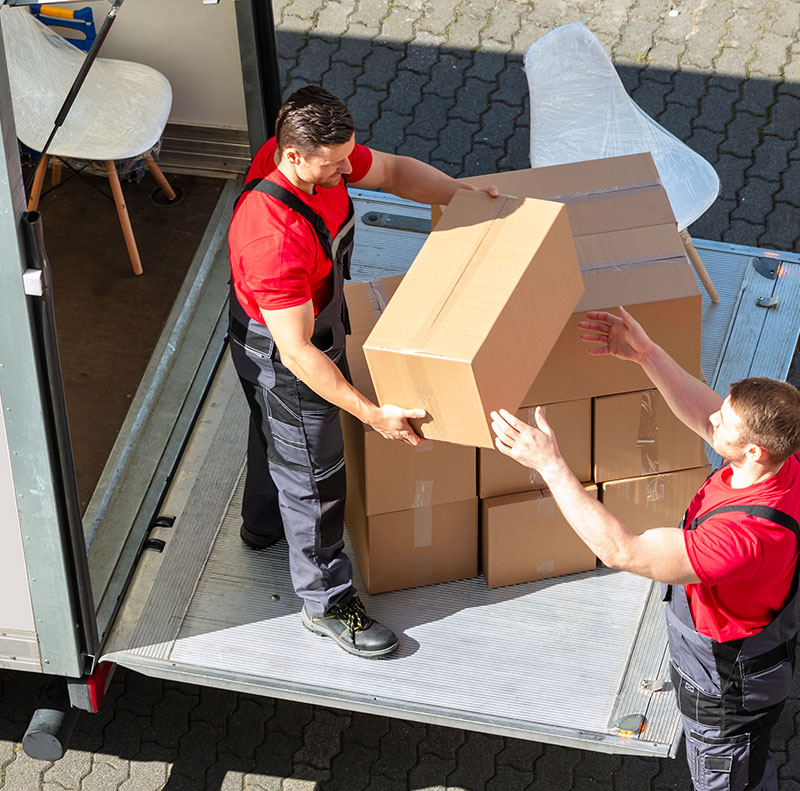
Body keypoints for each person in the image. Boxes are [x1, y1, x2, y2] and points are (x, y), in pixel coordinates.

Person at [228, 85, 497, 659]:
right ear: (292, 155)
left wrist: (466, 197)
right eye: (335, 164)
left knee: (273, 435)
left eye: (349, 156)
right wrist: (372, 415)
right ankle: (327, 603)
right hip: (287, 351)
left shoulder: (312, 154)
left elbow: (394, 172)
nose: (348, 170)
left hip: (291, 324)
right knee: (315, 476)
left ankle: (262, 525)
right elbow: (297, 352)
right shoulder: (272, 238)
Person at [490, 305, 800, 791]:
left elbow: (623, 550)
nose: (713, 416)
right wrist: (646, 354)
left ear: (753, 451)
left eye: (725, 419)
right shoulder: (781, 463)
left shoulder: (743, 538)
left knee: (727, 778)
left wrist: (549, 465)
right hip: (742, 653)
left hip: (726, 689)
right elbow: (705, 416)